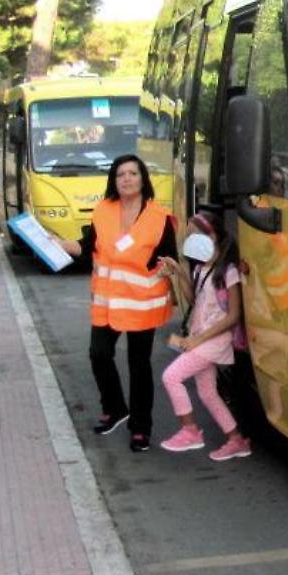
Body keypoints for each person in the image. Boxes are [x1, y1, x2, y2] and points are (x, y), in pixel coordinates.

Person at [54, 154, 177, 453]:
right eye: (120, 174)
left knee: (139, 366)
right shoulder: (103, 210)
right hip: (107, 303)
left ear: (143, 178)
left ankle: (141, 426)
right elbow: (86, 249)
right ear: (114, 180)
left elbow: (170, 257)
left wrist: (168, 267)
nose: (126, 179)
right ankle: (114, 408)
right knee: (99, 354)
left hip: (141, 304)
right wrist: (57, 243)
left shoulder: (159, 217)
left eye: (132, 173)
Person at [156, 210, 252, 461]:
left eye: (194, 234)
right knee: (208, 393)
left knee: (171, 376)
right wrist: (179, 272)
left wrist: (198, 340)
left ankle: (190, 431)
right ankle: (237, 440)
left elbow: (233, 316)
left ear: (212, 235)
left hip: (214, 341)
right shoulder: (201, 269)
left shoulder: (229, 271)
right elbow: (193, 300)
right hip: (201, 337)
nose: (190, 239)